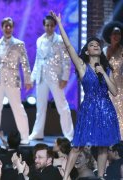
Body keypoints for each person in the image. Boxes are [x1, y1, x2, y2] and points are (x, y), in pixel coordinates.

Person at [50, 11, 121, 179]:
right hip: (88, 107)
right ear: (87, 52)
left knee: (103, 146)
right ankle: (66, 177)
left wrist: (103, 72)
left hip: (106, 108)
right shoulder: (82, 66)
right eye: (92, 45)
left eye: (97, 44)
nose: (96, 45)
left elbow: (115, 92)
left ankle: (101, 176)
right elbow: (68, 47)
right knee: (77, 145)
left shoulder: (107, 68)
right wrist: (59, 23)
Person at [29, 15, 74, 141]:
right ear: (44, 26)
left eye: (51, 25)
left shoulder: (60, 40)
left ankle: (69, 134)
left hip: (55, 77)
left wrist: (65, 77)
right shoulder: (40, 40)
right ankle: (38, 132)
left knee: (62, 106)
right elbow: (38, 60)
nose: (49, 27)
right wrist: (32, 78)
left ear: (55, 26)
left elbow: (66, 60)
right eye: (47, 25)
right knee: (40, 107)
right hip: (42, 77)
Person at [0, 17, 32, 145]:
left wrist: (28, 80)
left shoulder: (19, 44)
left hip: (12, 80)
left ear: (13, 28)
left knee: (18, 108)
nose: (8, 28)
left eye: (10, 26)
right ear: (2, 27)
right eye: (5, 26)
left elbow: (25, 63)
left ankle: (25, 137)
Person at [102, 21, 123, 140]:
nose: (116, 36)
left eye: (119, 34)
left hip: (120, 84)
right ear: (109, 35)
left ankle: (120, 137)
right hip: (107, 84)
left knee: (120, 111)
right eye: (114, 33)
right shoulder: (104, 50)